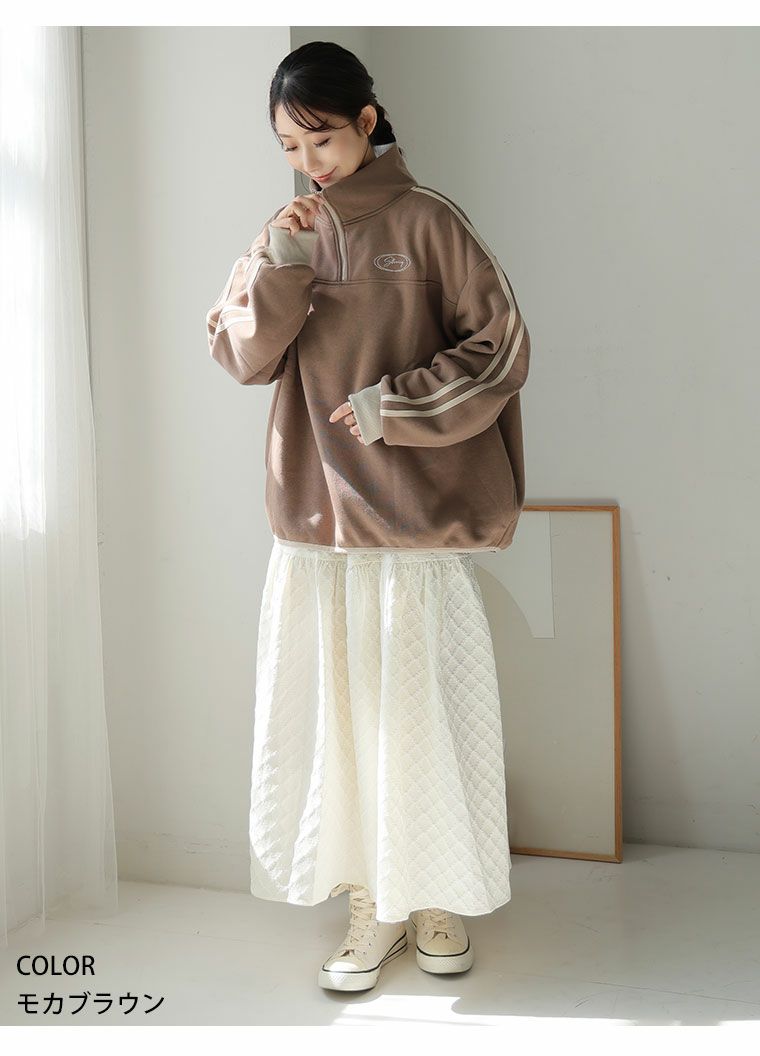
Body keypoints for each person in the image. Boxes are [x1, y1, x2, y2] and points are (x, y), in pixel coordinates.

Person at [206, 40, 531, 993]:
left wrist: (396, 404)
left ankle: (433, 897)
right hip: (317, 523)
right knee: (339, 728)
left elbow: (502, 347)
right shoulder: (285, 231)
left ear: (367, 121)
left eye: (322, 139)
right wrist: (285, 263)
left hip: (412, 522)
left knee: (419, 719)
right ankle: (370, 902)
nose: (309, 162)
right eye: (289, 146)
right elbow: (239, 354)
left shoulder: (430, 222)